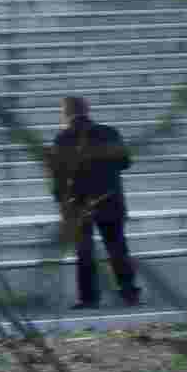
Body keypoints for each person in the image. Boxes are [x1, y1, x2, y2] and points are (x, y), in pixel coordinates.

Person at [43, 98, 144, 311]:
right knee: (117, 247)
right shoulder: (109, 132)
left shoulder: (63, 138)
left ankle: (89, 298)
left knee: (85, 251)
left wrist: (60, 201)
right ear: (87, 111)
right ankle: (129, 293)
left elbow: (57, 176)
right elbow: (125, 162)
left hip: (79, 203)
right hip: (110, 199)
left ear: (66, 114)